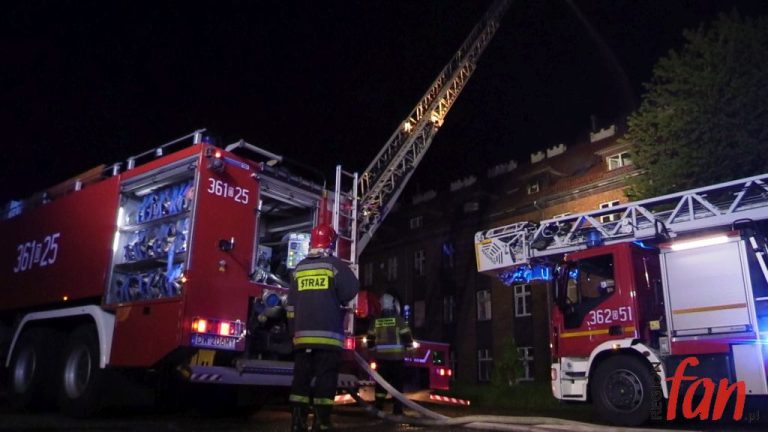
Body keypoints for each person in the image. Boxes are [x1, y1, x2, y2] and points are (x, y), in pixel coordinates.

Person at [287, 223, 359, 432]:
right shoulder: (333, 266)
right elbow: (351, 290)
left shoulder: (299, 268)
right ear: (331, 243)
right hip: (328, 339)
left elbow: (290, 306)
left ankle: (297, 422)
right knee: (326, 380)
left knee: (300, 380)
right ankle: (322, 422)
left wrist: (294, 332)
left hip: (301, 339)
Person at [367, 292, 413, 416]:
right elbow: (407, 338)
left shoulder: (375, 321)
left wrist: (372, 351)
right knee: (397, 385)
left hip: (381, 359)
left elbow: (370, 340)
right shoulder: (398, 320)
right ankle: (397, 411)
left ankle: (378, 408)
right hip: (397, 359)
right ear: (393, 305)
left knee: (381, 385)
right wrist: (409, 350)